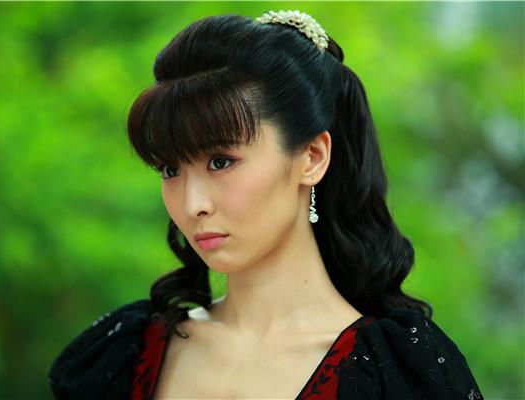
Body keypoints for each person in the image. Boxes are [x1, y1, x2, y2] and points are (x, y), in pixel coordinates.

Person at [48, 10, 484, 400]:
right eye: (170, 169)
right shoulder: (127, 354)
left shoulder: (395, 374)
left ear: (312, 158)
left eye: (221, 162)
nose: (193, 204)